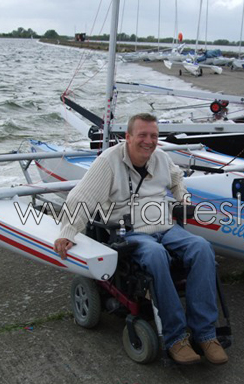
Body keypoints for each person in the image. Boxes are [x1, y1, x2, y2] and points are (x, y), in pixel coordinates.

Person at [54, 113, 228, 365]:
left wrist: (183, 199)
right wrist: (68, 232)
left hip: (166, 226)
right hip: (131, 230)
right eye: (142, 135)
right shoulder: (108, 161)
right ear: (128, 137)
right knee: (156, 256)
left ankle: (205, 335)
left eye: (154, 136)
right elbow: (81, 197)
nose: (149, 141)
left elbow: (177, 178)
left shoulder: (161, 158)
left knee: (202, 248)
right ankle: (176, 337)